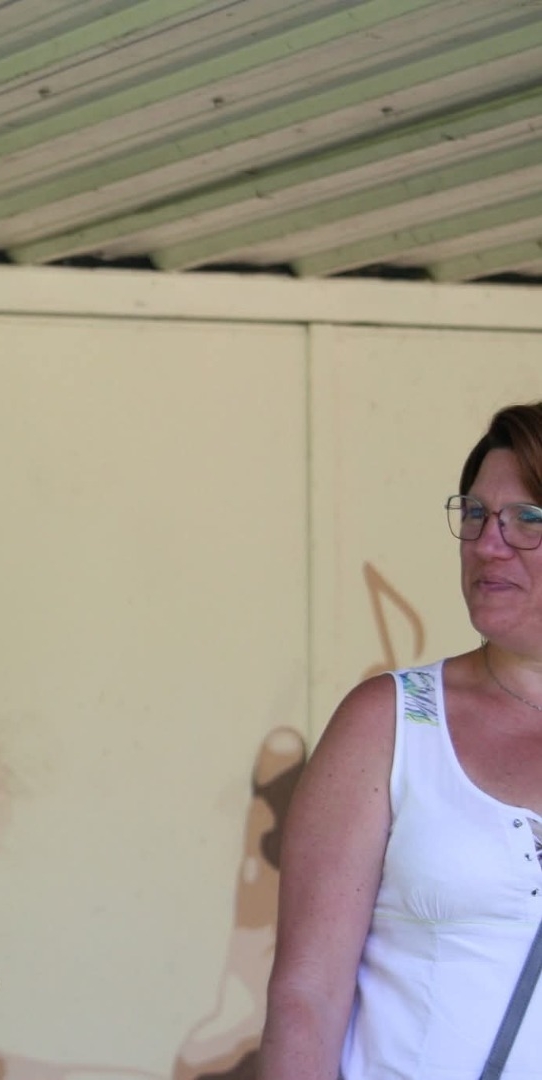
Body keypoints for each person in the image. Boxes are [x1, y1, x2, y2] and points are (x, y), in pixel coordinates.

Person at [262, 400, 542, 1078]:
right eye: (475, 514)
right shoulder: (392, 721)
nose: (488, 543)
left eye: (526, 519)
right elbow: (306, 1001)